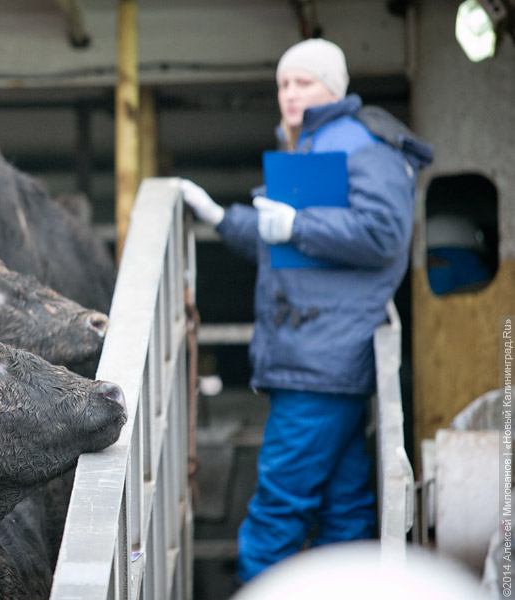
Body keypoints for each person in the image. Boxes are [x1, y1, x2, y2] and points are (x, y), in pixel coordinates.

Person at [180, 38, 433, 582]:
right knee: (346, 510)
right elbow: (287, 247)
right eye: (283, 84)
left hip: (319, 358)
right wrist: (221, 217)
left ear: (333, 88)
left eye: (304, 82)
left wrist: (297, 224)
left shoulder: (362, 144)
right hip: (320, 353)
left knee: (277, 510)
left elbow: (384, 234)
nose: (290, 94)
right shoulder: (312, 144)